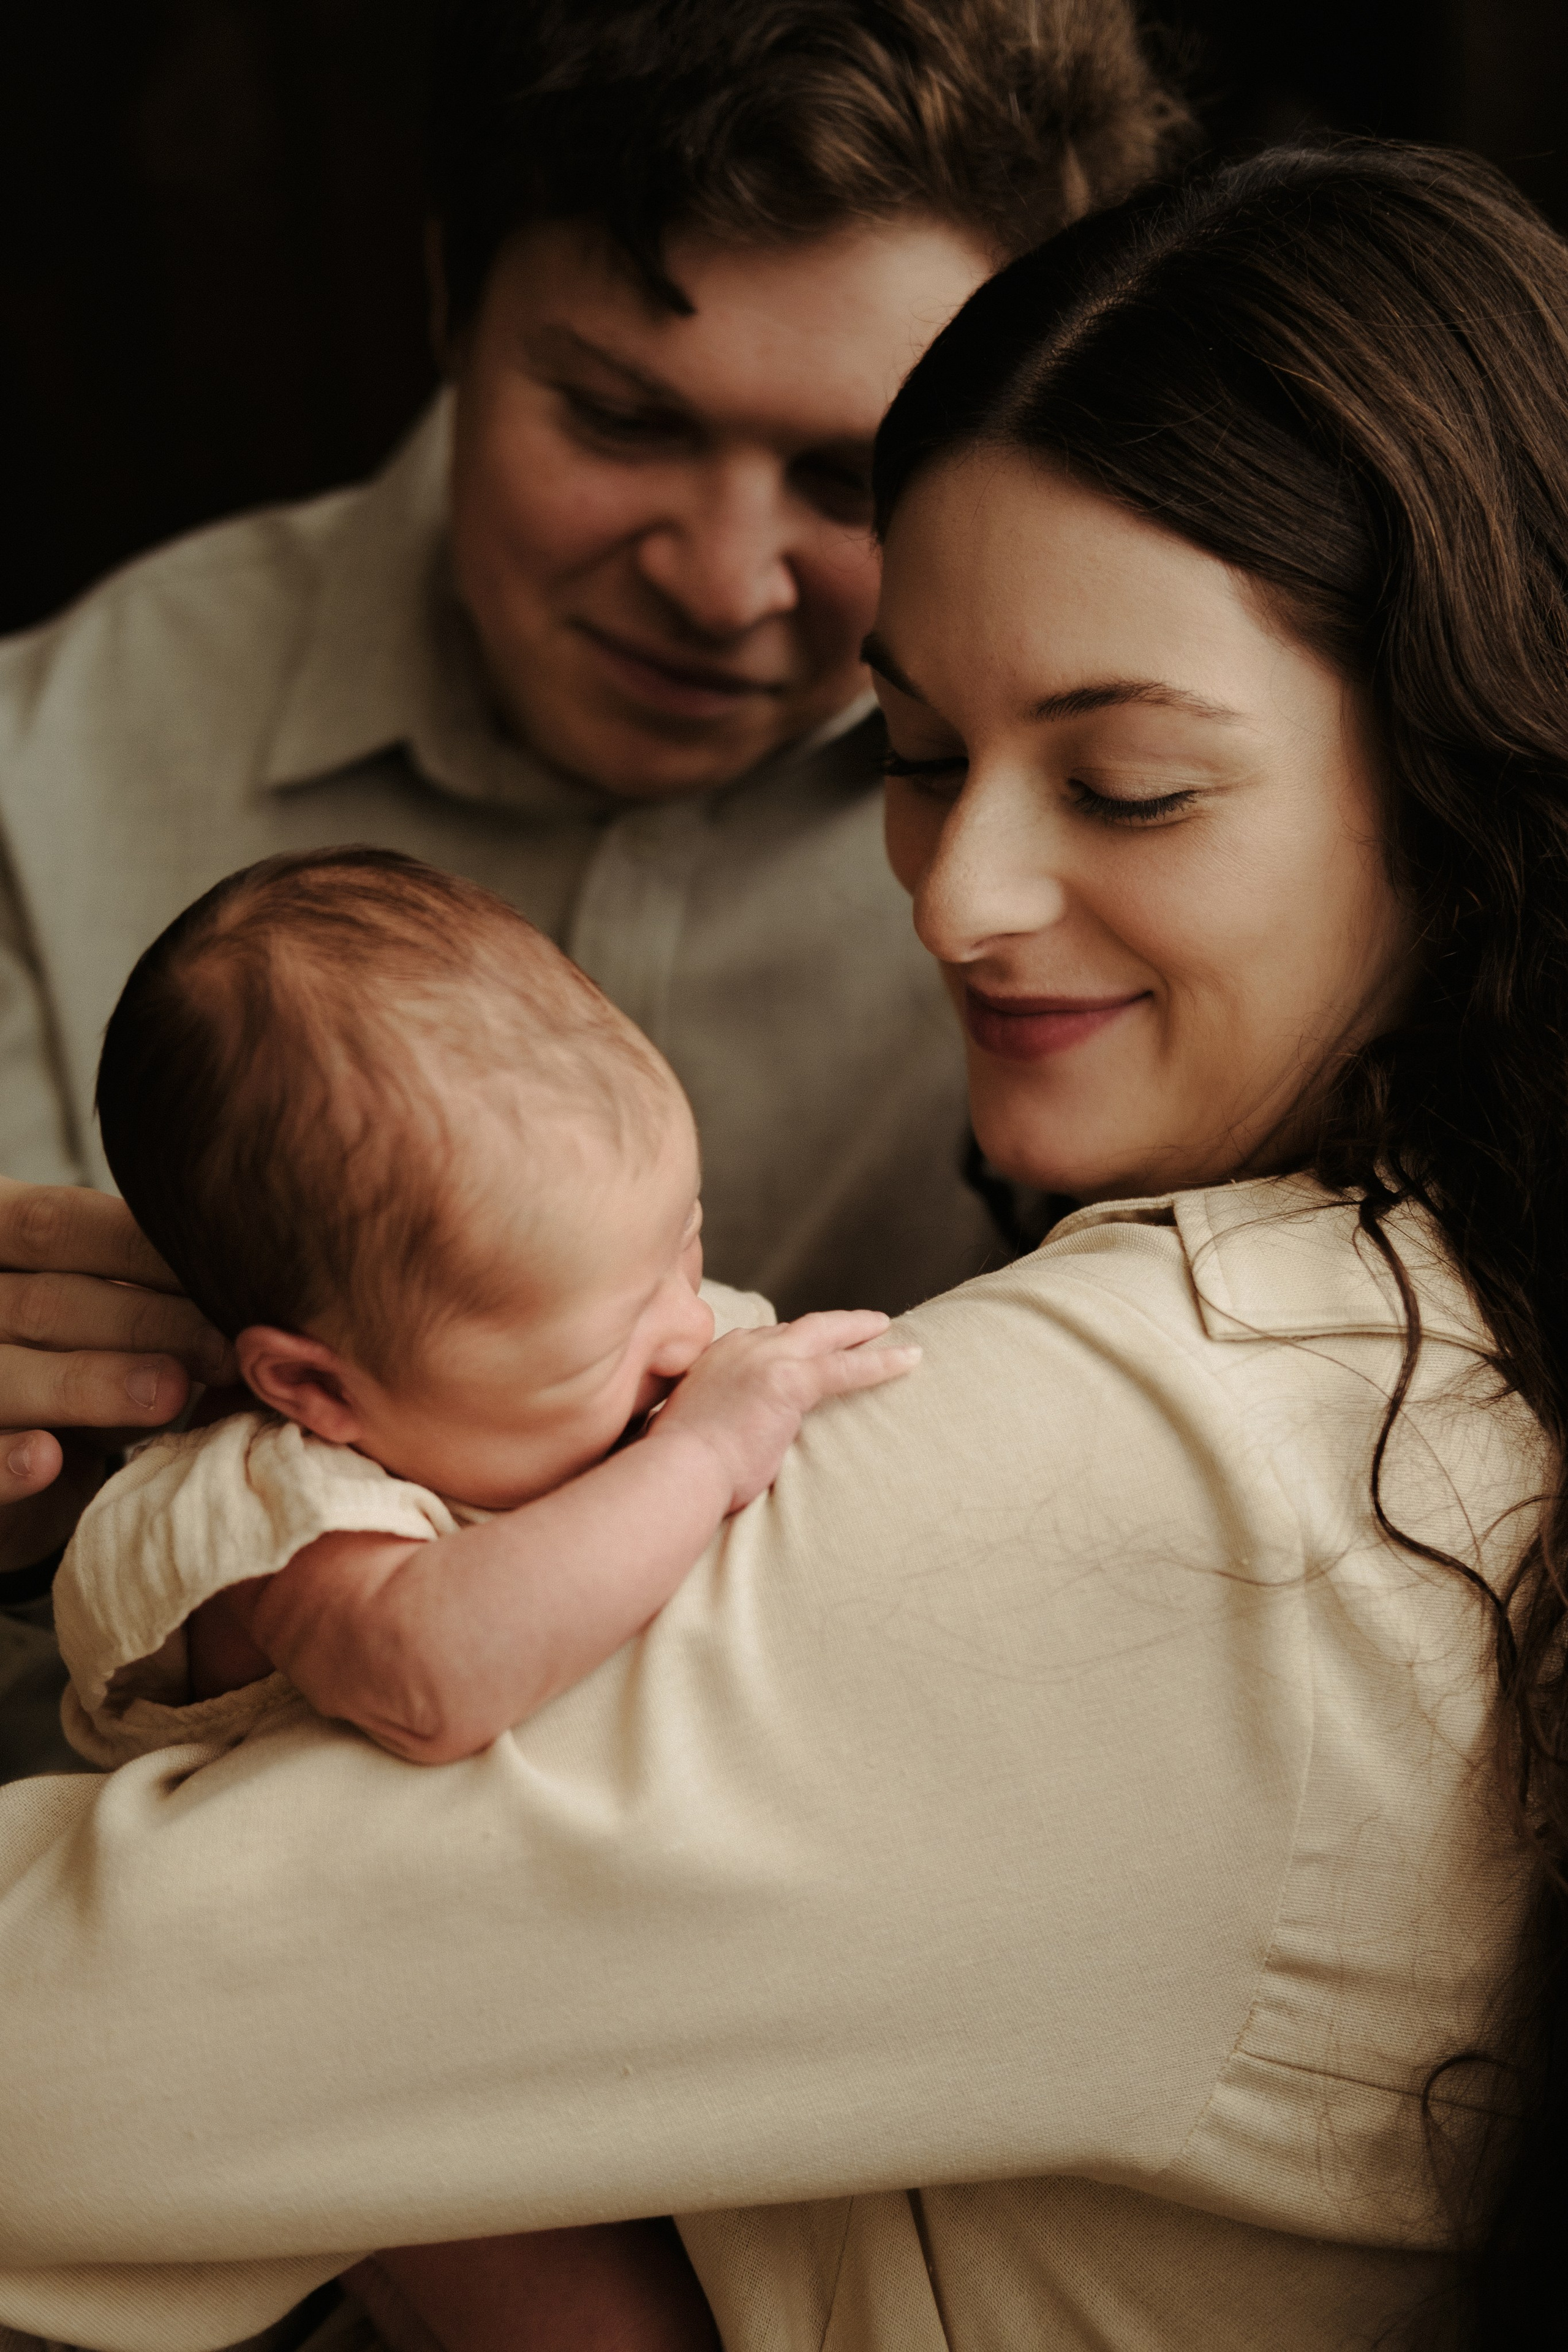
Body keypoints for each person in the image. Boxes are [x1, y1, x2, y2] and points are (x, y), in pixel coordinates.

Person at [2, 137, 1561, 2352]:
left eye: (1126, 787)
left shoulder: (1182, 1459)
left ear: (1467, 776)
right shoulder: (1431, 1304)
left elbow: (60, 2058)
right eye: (912, 753)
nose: (952, 897)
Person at [0, 0, 1187, 1774]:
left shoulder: (1132, 845)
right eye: (626, 419)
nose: (722, 586)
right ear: (444, 303)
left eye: (851, 478)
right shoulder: (41, 766)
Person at [58, 845, 913, 2351]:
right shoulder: (268, 1501)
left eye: (690, 1245)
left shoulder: (581, 1337)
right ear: (314, 1385)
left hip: (548, 1954)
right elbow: (438, 1672)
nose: (679, 1337)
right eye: (601, 1351)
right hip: (329, 2020)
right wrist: (707, 1452)